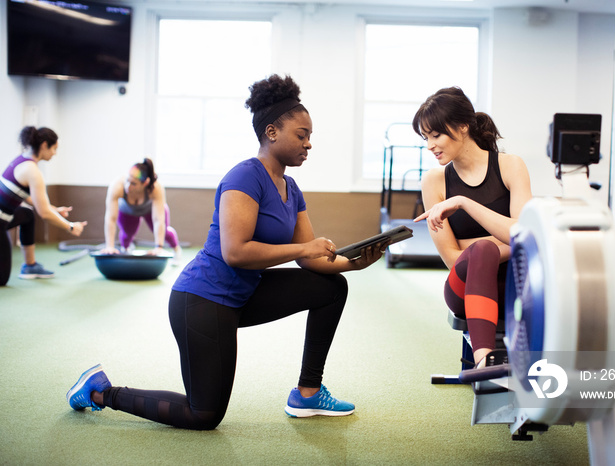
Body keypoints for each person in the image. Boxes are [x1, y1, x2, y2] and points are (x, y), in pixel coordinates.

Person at [66, 74, 387, 430]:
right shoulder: (244, 177)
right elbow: (235, 252)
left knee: (332, 288)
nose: (309, 144)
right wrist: (304, 247)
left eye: (310, 136)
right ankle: (101, 391)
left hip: (243, 294)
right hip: (203, 300)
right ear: (271, 132)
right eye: (302, 135)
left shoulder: (291, 188)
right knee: (203, 415)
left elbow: (309, 259)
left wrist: (353, 263)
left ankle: (308, 393)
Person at [412, 87, 532, 368]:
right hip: (462, 289)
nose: (429, 145)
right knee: (481, 251)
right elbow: (453, 258)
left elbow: (524, 237)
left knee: (482, 249)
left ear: (463, 126)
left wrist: (464, 203)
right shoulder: (434, 181)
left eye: (436, 135)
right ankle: (483, 360)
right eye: (425, 137)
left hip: (515, 286)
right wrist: (495, 244)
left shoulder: (510, 166)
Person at [1, 126, 87, 286]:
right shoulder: (32, 171)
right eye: (54, 148)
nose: (55, 153)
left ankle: (30, 266)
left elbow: (32, 200)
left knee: (27, 215)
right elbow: (44, 213)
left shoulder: (21, 160)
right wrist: (70, 227)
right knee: (1, 279)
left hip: (4, 217)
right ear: (44, 145)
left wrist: (54, 209)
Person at [102, 158, 182, 261]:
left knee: (165, 232)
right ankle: (126, 249)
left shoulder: (156, 188)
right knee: (127, 235)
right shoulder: (116, 186)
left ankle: (176, 250)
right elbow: (111, 219)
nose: (128, 186)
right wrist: (110, 246)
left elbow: (158, 220)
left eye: (133, 184)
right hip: (128, 211)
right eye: (127, 181)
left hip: (150, 210)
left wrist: (158, 247)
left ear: (145, 183)